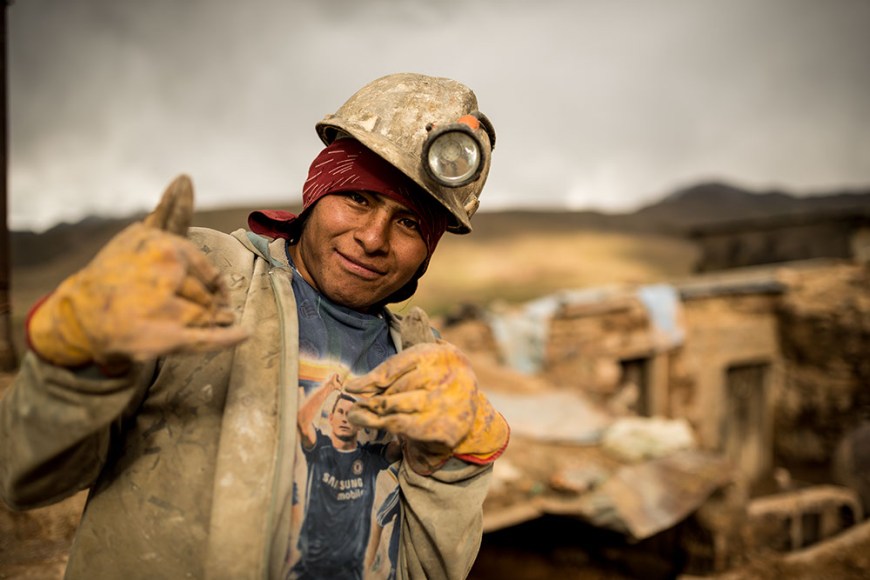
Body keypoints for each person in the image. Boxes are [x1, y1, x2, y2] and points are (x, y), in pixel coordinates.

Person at [0, 72, 509, 580]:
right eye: (358, 198)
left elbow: (429, 570)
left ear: (428, 251)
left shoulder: (421, 366)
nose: (373, 238)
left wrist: (458, 464)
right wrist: (76, 366)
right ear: (317, 192)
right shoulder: (199, 278)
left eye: (409, 223)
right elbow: (25, 477)